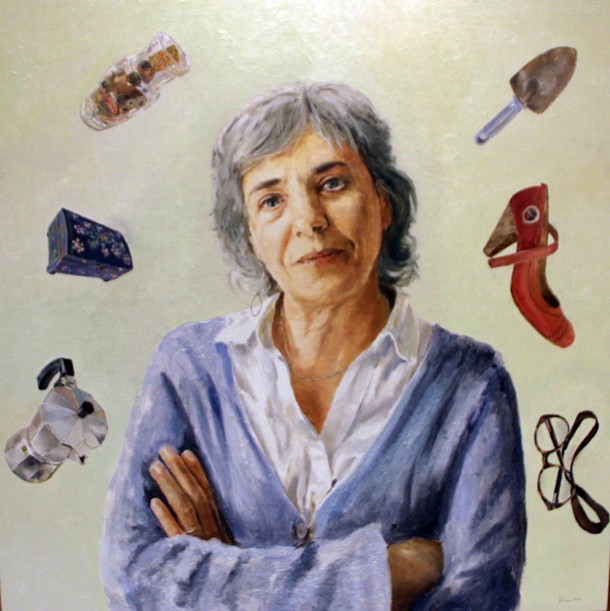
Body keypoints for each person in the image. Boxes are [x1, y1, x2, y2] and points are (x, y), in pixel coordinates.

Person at [100, 82, 526, 610]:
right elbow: (133, 577)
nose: (309, 220)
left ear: (383, 202)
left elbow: (482, 598)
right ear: (249, 233)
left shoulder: (472, 384)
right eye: (272, 199)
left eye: (333, 183)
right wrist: (383, 574)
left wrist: (225, 571)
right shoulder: (187, 367)